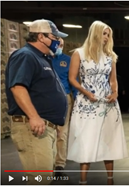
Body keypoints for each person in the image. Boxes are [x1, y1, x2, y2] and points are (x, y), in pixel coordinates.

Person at [5, 19, 68, 185]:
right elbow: (18, 87)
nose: (58, 41)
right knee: (39, 180)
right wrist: (34, 116)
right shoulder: (25, 56)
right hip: (33, 128)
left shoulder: (42, 58)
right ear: (41, 36)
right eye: (55, 37)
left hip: (46, 128)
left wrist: (55, 125)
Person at [67, 20, 128, 185]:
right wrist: (86, 92)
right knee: (86, 139)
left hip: (108, 103)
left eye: (108, 34)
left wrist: (115, 92)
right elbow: (72, 78)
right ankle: (83, 180)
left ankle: (110, 179)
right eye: (104, 33)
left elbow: (113, 80)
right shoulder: (79, 53)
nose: (107, 37)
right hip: (87, 103)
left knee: (109, 139)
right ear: (95, 33)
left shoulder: (110, 57)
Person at [51, 38, 78, 177]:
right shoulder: (43, 58)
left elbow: (73, 80)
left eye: (62, 44)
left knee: (62, 132)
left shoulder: (68, 60)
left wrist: (77, 97)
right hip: (46, 99)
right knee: (48, 132)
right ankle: (48, 161)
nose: (60, 46)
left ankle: (60, 164)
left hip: (64, 98)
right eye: (58, 44)